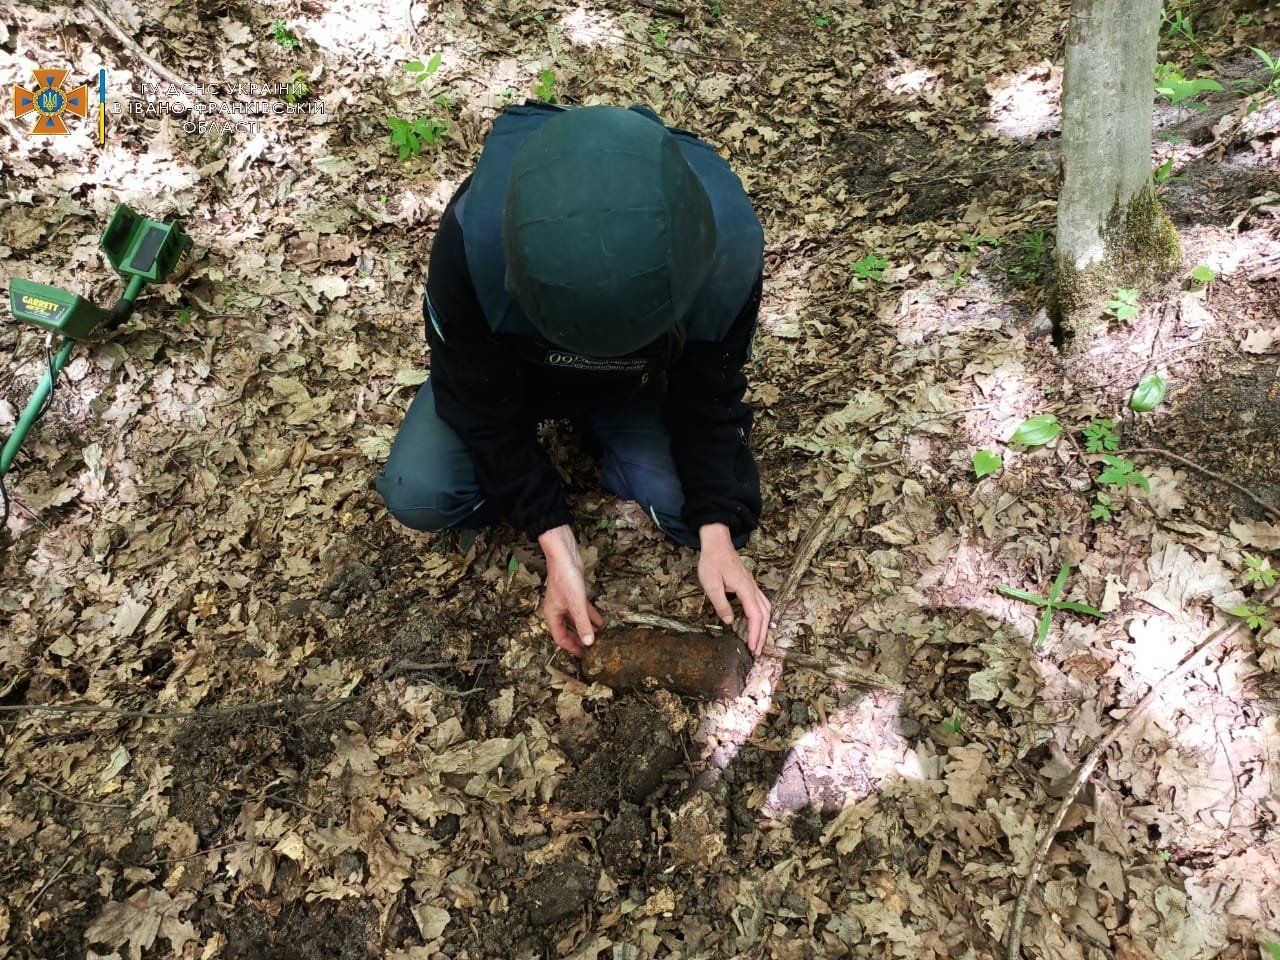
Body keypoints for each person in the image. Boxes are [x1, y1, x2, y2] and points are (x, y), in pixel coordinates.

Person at [376, 102, 771, 657]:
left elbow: (710, 394)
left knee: (705, 512)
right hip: (514, 381)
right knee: (420, 491)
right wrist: (554, 538)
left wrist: (716, 529)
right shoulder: (476, 235)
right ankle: (583, 450)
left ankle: (615, 444)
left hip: (638, 386)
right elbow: (477, 399)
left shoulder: (724, 249)